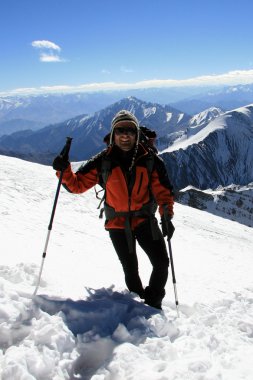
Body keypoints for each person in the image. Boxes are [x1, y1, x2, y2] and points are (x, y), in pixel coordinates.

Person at [53, 110, 175, 309]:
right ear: (113, 134)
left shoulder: (150, 160)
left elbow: (164, 193)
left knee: (161, 263)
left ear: (136, 134)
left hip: (144, 220)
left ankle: (153, 303)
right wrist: (63, 170)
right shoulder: (103, 160)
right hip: (117, 224)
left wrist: (166, 217)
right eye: (120, 130)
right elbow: (76, 185)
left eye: (129, 130)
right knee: (131, 270)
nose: (125, 135)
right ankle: (138, 307)